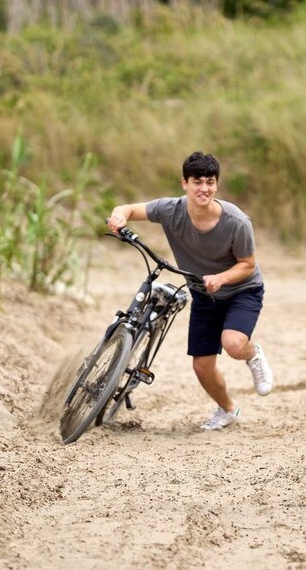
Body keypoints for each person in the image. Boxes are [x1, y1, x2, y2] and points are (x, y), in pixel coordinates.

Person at [106, 151, 273, 431]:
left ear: (217, 185)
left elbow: (248, 265)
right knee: (201, 367)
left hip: (242, 290)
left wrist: (221, 278)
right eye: (198, 181)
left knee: (232, 344)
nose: (204, 188)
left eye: (210, 182)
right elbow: (129, 209)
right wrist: (118, 217)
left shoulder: (236, 222)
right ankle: (228, 410)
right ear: (185, 183)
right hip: (203, 293)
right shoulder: (171, 210)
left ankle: (252, 354)